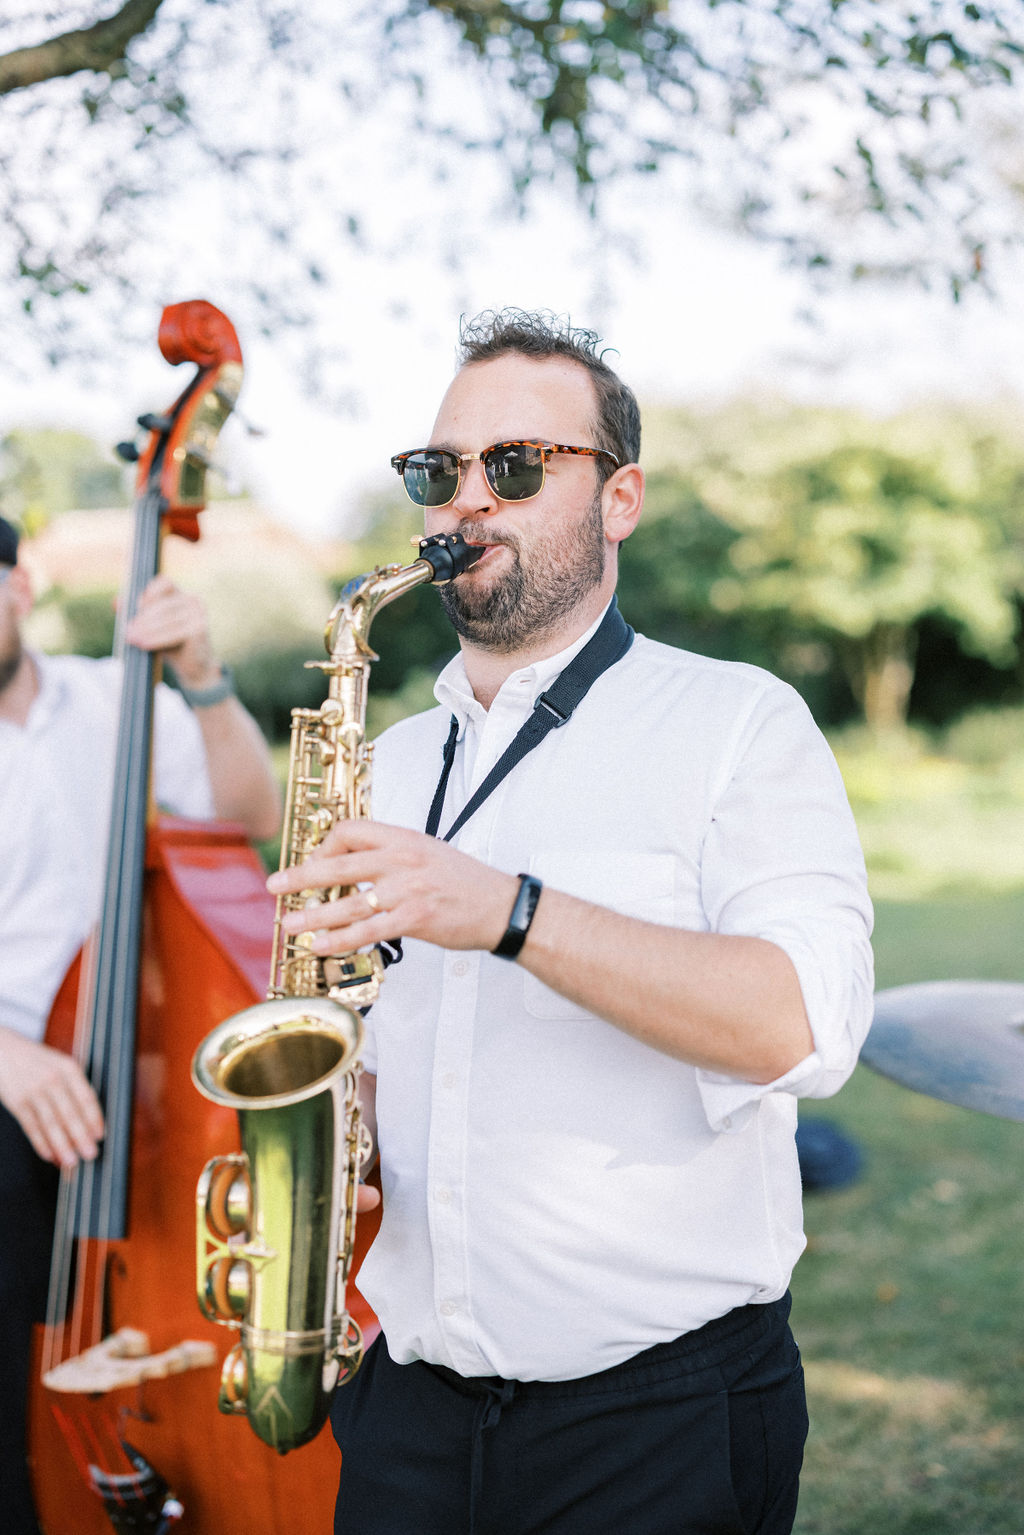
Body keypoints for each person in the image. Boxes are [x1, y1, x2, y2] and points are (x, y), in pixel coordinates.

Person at [269, 309, 874, 1535]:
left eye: (517, 465)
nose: (465, 504)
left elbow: (803, 1026)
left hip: (657, 1422)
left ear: (620, 498)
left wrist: (505, 909)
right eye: (440, 473)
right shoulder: (387, 757)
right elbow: (381, 1051)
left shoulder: (737, 723)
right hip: (409, 1414)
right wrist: (340, 1128)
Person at [0, 512, 281, 1535]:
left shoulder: (114, 694)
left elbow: (248, 812)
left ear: (20, 584)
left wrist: (199, 674)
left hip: (143, 1086)